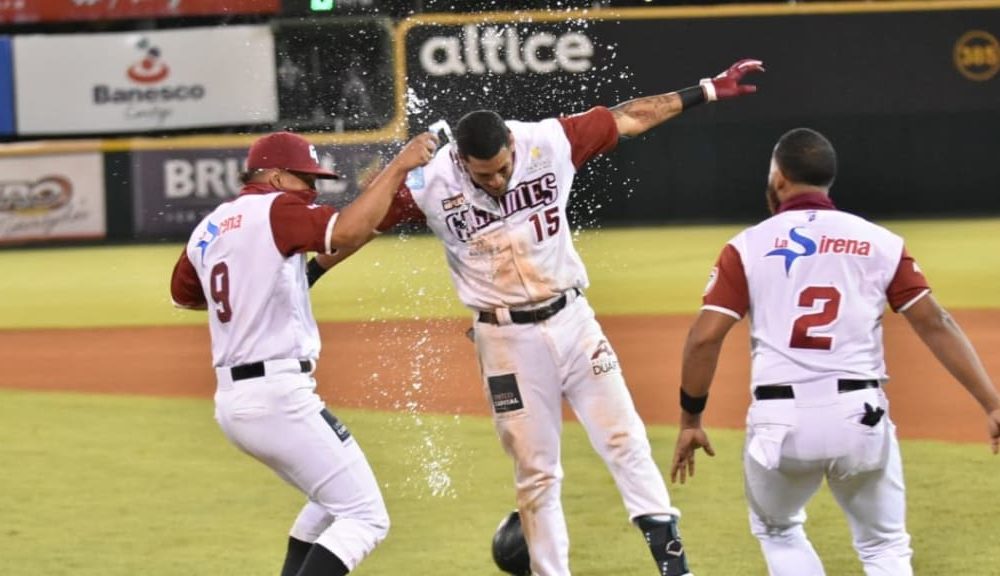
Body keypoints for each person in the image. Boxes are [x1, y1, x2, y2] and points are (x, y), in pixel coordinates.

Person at [309, 58, 766, 576]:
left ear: (510, 140)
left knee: (625, 438)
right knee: (536, 473)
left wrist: (704, 88)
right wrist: (308, 276)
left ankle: (674, 566)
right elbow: (360, 226)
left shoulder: (548, 142)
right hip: (503, 341)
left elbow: (629, 117)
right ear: (461, 161)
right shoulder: (433, 184)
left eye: (504, 166)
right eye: (485, 174)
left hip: (573, 319)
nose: (499, 179)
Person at [669, 127, 1000, 576]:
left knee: (779, 530)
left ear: (779, 178)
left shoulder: (746, 247)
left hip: (778, 423)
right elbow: (936, 323)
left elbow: (704, 338)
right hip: (858, 415)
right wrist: (991, 403)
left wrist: (691, 419)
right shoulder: (879, 242)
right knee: (884, 548)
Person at [169, 130, 437, 576]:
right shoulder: (277, 208)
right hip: (279, 398)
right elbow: (345, 228)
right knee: (366, 517)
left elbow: (186, 297)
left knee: (328, 504)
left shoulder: (211, 225)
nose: (312, 189)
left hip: (237, 403)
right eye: (304, 178)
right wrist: (402, 164)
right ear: (274, 176)